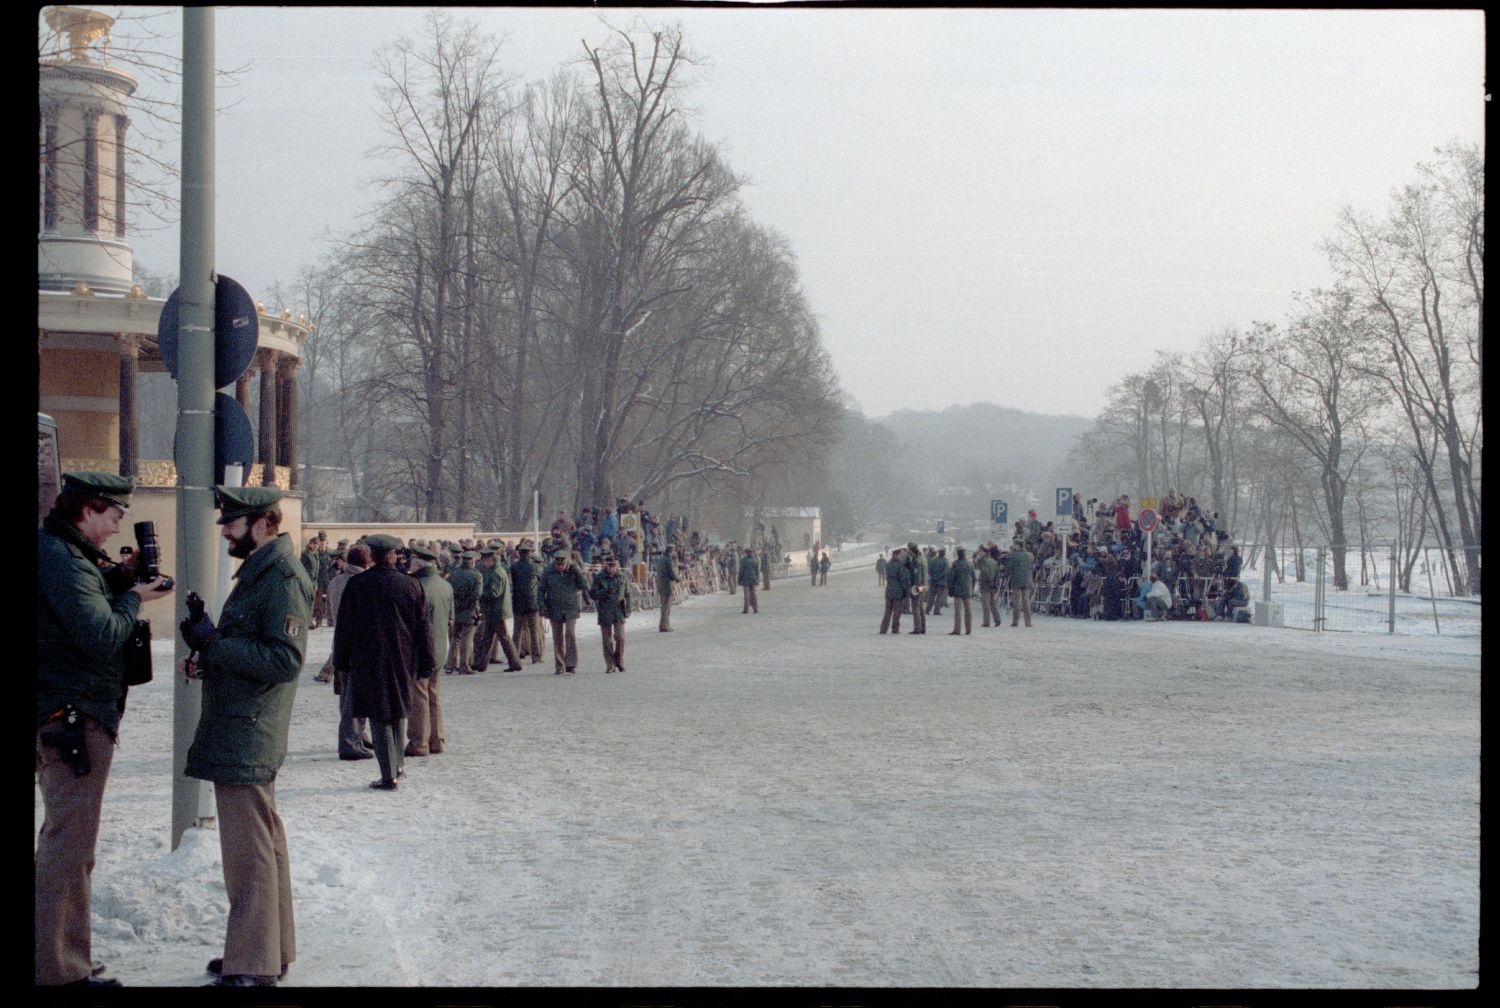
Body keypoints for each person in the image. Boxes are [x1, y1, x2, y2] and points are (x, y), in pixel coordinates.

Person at [37, 472, 173, 987]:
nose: (119, 525)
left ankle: (57, 958)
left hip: (71, 711)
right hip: (75, 716)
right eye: (114, 515)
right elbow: (99, 635)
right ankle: (59, 972)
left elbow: (79, 601)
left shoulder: (61, 551)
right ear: (89, 509)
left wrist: (120, 580)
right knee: (68, 846)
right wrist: (136, 597)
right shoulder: (60, 556)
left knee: (69, 844)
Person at [179, 485, 311, 987]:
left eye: (232, 521)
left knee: (248, 850)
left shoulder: (280, 577)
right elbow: (251, 648)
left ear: (262, 523)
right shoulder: (262, 572)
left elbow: (284, 661)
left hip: (247, 729)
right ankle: (267, 950)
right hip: (242, 724)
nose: (224, 529)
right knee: (262, 843)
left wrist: (214, 643)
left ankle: (253, 964)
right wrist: (208, 651)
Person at [330, 534, 436, 790]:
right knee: (399, 710)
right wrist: (427, 661)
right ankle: (397, 764)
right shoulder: (411, 585)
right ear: (394, 556)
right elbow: (423, 628)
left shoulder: (358, 585)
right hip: (403, 657)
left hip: (368, 658)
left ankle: (388, 774)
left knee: (378, 715)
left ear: (373, 556)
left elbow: (345, 628)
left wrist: (341, 661)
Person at [328, 543, 375, 760]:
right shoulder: (364, 583)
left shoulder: (336, 581)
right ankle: (350, 740)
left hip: (339, 641)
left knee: (346, 691)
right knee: (354, 695)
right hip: (358, 645)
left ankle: (357, 733)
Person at [405, 545, 452, 757]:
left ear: (418, 563)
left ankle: (419, 741)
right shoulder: (445, 586)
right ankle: (437, 739)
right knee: (434, 695)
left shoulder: (416, 587)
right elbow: (450, 619)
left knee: (419, 696)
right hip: (441, 648)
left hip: (420, 650)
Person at [471, 547, 522, 673]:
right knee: (486, 638)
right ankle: (481, 664)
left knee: (504, 638)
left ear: (491, 560)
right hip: (492, 611)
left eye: (484, 560)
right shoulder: (493, 571)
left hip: (497, 611)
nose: (483, 563)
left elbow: (494, 593)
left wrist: (479, 594)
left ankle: (515, 663)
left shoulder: (497, 573)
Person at [540, 547, 589, 673]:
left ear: (567, 562)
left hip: (570, 608)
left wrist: (578, 572)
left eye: (562, 564)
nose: (560, 567)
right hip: (554, 607)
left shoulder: (573, 571)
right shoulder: (548, 571)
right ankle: (559, 665)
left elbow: (583, 586)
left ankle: (571, 663)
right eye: (558, 564)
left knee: (570, 634)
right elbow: (541, 589)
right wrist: (541, 605)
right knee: (557, 637)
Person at [590, 553, 630, 672]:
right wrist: (605, 592)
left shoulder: (622, 577)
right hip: (605, 609)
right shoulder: (599, 577)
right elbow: (593, 594)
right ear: (605, 565)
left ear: (617, 565)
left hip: (618, 610)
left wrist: (629, 609)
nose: (612, 568)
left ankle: (619, 659)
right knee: (607, 639)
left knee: (620, 637)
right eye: (609, 565)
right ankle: (610, 664)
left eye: (614, 565)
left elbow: (628, 594)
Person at [446, 550, 481, 674]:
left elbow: (448, 591)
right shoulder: (476, 575)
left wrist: (456, 605)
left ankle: (450, 664)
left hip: (455, 610)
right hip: (469, 610)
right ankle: (464, 665)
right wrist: (466, 604)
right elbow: (477, 594)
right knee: (467, 638)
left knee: (455, 638)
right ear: (472, 561)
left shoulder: (453, 574)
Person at [510, 539, 544, 665]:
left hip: (518, 601)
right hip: (532, 602)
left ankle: (514, 656)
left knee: (517, 631)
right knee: (534, 631)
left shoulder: (514, 567)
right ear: (529, 554)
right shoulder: (535, 567)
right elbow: (541, 581)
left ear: (520, 553)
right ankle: (536, 656)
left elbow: (513, 582)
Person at [878, 546, 911, 634]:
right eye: (900, 554)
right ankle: (895, 629)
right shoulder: (900, 566)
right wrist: (906, 590)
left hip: (889, 590)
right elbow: (903, 579)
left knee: (887, 611)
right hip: (898, 591)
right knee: (897, 611)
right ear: (896, 555)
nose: (901, 556)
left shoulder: (888, 564)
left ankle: (883, 629)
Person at [1006, 539, 1035, 627]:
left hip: (1017, 581)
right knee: (1026, 601)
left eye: (1014, 545)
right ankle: (1028, 622)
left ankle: (1015, 621)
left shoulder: (1014, 556)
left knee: (1017, 601)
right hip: (1027, 581)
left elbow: (1009, 568)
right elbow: (1031, 567)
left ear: (1017, 545)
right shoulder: (1030, 555)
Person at [946, 546, 974, 634]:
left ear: (958, 554)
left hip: (958, 590)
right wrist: (972, 589)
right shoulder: (970, 564)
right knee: (968, 610)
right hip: (968, 590)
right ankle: (968, 629)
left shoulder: (955, 564)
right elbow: (974, 578)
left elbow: (951, 578)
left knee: (958, 611)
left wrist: (950, 589)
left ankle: (957, 630)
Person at [655, 545, 678, 631]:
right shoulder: (668, 560)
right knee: (666, 607)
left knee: (663, 606)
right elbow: (671, 573)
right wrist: (678, 579)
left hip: (660, 585)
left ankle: (663, 625)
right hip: (667, 585)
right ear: (672, 551)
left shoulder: (660, 559)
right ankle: (665, 626)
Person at [738, 547, 760, 613]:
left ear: (746, 553)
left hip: (746, 579)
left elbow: (741, 571)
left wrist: (739, 580)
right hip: (753, 579)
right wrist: (757, 580)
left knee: (746, 595)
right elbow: (757, 572)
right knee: (754, 594)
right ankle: (755, 609)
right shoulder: (755, 561)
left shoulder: (743, 561)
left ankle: (746, 609)